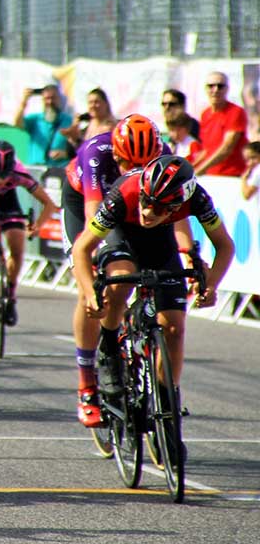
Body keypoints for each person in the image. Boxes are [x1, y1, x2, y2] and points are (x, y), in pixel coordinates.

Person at [70, 155, 232, 431]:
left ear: (178, 205)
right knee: (121, 279)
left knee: (174, 328)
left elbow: (225, 246)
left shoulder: (197, 199)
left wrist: (211, 284)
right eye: (146, 201)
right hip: (120, 232)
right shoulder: (125, 193)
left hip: (160, 241)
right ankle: (109, 347)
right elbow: (82, 248)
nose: (147, 211)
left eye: (157, 207)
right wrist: (90, 293)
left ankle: (166, 402)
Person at [60, 114, 164, 426]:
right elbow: (94, 216)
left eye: (143, 166)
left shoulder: (163, 154)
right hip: (86, 206)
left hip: (132, 204)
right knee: (94, 286)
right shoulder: (96, 153)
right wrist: (92, 264)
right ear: (117, 154)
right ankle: (87, 384)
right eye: (129, 164)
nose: (135, 171)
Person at [0, 140, 58, 326]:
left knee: (17, 245)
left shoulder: (19, 173)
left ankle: (10, 293)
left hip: (8, 204)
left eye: (4, 177)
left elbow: (49, 204)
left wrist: (38, 225)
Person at [195, 71, 248, 177]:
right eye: (211, 86)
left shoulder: (235, 112)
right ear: (205, 89)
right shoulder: (205, 114)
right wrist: (191, 167)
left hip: (232, 175)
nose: (215, 90)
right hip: (211, 175)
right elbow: (207, 150)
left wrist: (199, 170)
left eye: (220, 86)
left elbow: (226, 148)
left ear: (227, 89)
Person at [14, 84, 73, 167]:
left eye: (53, 98)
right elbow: (17, 124)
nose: (50, 102)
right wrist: (23, 102)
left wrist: (67, 154)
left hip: (59, 171)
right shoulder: (35, 119)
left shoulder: (69, 120)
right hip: (36, 169)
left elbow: (80, 146)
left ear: (59, 99)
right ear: (42, 101)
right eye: (47, 98)